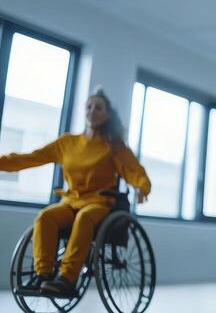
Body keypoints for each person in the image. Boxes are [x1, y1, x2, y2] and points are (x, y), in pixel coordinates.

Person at [0, 88, 151, 296]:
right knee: (46, 216)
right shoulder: (67, 143)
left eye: (98, 108)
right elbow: (30, 158)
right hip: (70, 201)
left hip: (100, 203)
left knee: (84, 217)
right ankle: (43, 274)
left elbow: (134, 171)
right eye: (89, 107)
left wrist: (142, 187)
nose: (92, 111)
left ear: (107, 114)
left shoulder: (113, 146)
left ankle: (67, 279)